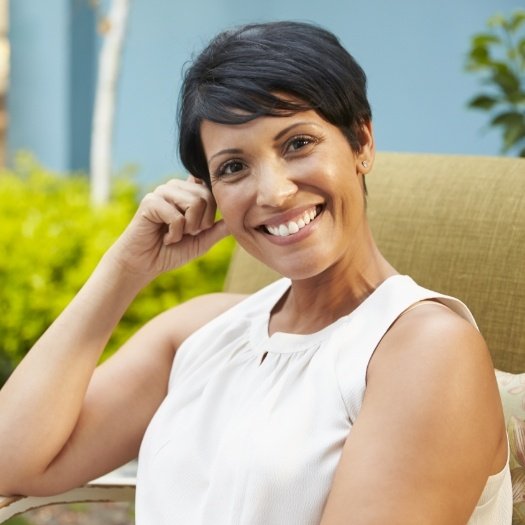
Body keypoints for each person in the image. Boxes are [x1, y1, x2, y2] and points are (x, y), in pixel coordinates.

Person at [0, 21, 512, 525]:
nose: (274, 192)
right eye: (233, 167)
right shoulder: (198, 333)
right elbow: (12, 461)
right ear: (209, 193)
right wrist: (123, 271)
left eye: (297, 144)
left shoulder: (424, 350)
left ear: (361, 142)